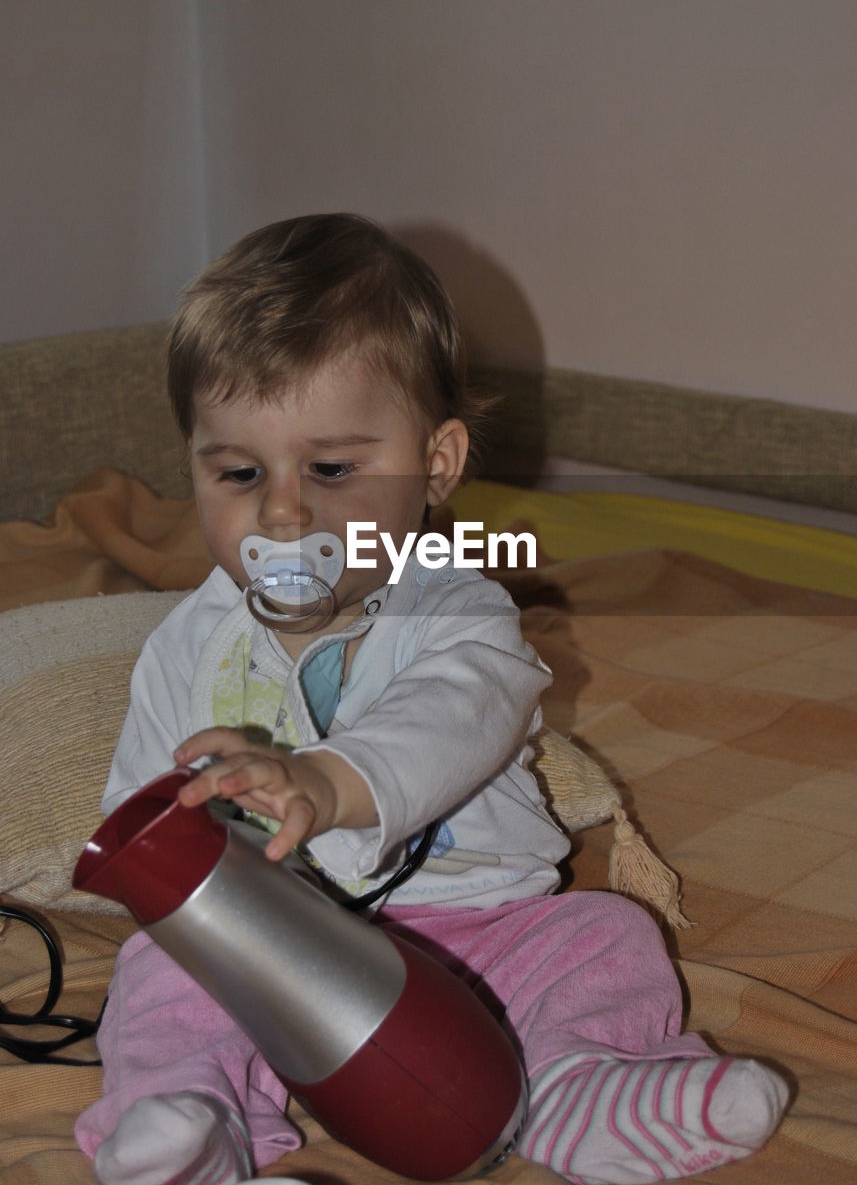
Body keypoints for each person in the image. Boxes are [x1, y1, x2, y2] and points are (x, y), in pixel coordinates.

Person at [75, 214, 788, 1185]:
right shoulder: (184, 646)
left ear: (436, 463)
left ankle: (582, 1085)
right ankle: (193, 1124)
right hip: (284, 947)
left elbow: (450, 718)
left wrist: (321, 781)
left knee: (605, 934)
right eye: (239, 471)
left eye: (331, 468)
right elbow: (149, 825)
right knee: (161, 975)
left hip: (476, 929)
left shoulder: (459, 611)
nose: (282, 510)